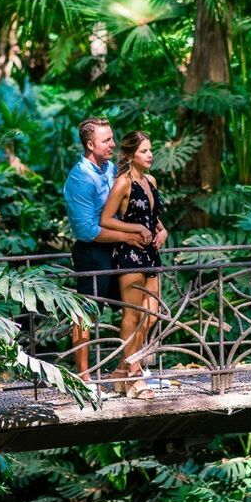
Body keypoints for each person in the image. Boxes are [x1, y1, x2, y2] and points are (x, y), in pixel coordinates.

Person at [63, 118, 150, 390]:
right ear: (90, 144)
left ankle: (124, 370)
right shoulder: (79, 178)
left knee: (136, 309)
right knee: (86, 313)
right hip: (92, 253)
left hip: (118, 251)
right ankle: (83, 377)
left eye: (112, 138)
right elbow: (87, 230)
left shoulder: (111, 168)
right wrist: (129, 235)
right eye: (106, 140)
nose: (113, 144)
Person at [99, 131, 168, 399]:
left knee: (150, 316)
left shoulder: (150, 180)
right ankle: (134, 377)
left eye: (151, 150)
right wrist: (134, 227)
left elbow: (153, 218)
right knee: (133, 315)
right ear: (130, 154)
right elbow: (106, 219)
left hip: (151, 254)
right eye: (143, 151)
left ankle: (121, 371)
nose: (149, 155)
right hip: (130, 254)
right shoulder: (123, 183)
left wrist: (162, 230)